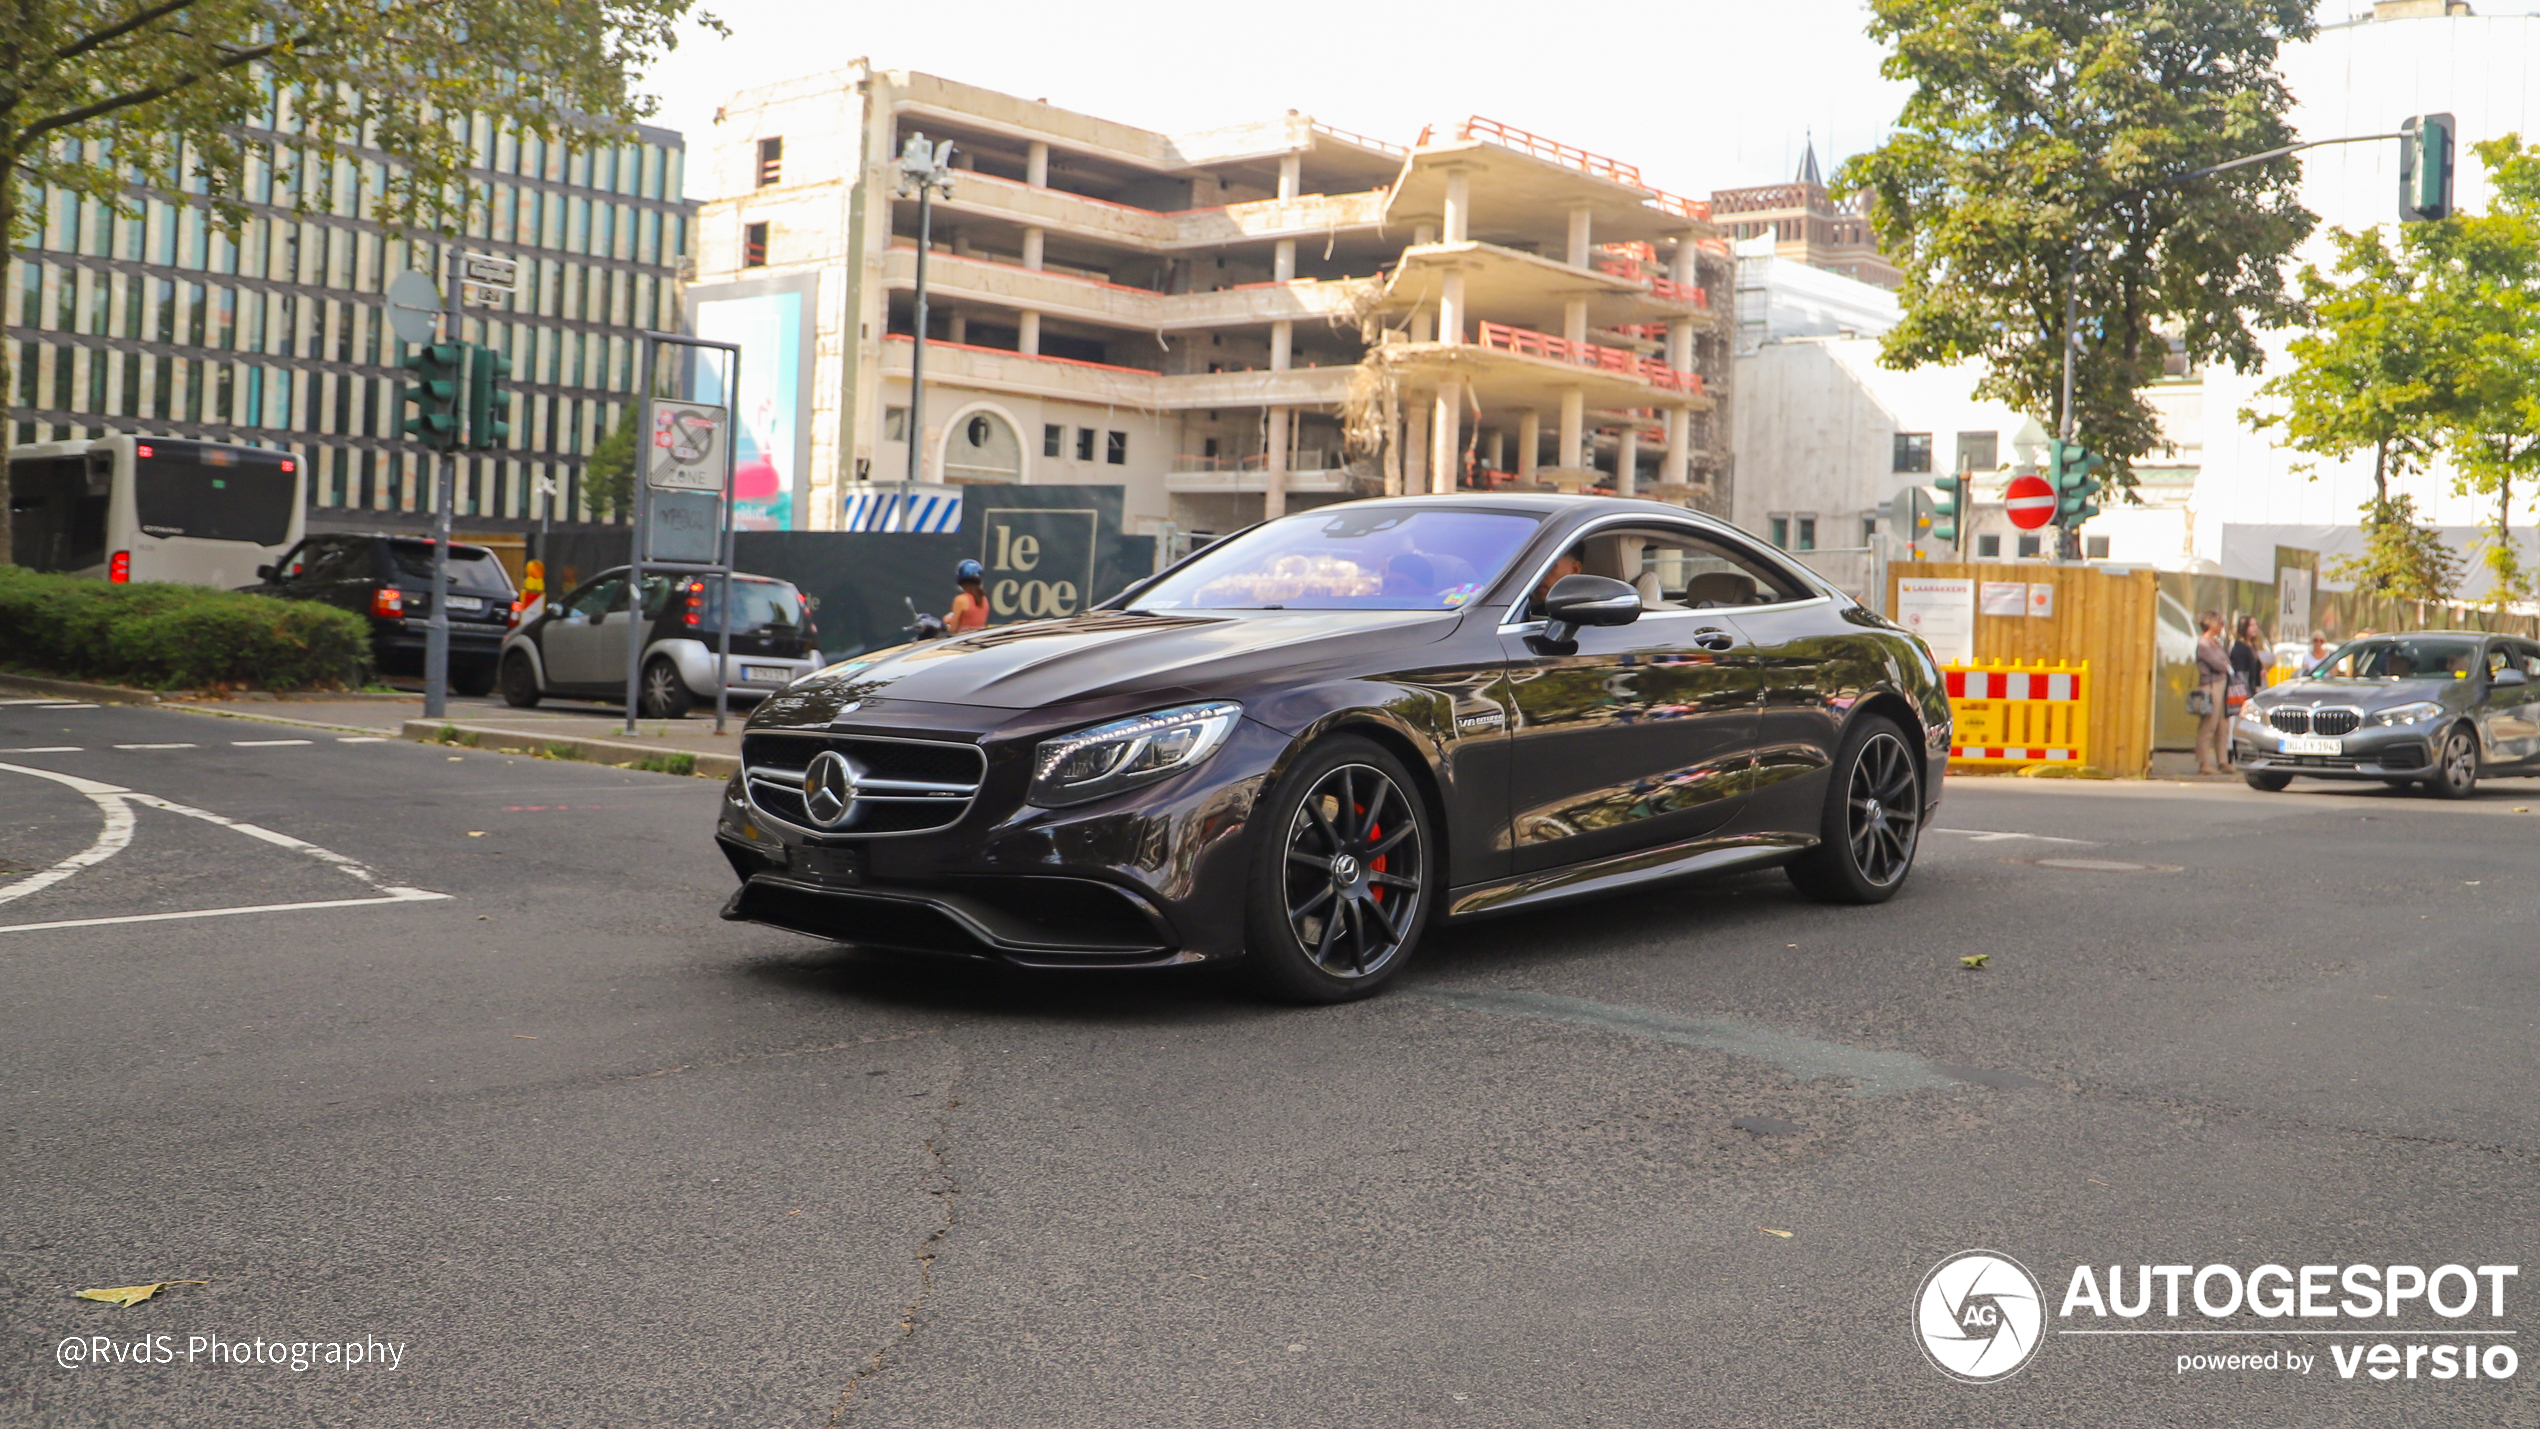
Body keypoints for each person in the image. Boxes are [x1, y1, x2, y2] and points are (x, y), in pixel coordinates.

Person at [2194, 611, 2230, 775]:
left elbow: (2226, 661)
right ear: (2211, 624)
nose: (2222, 626)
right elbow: (2219, 664)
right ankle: (2204, 762)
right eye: (2220, 623)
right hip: (2211, 685)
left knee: (2223, 724)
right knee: (2209, 724)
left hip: (2222, 684)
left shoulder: (2215, 643)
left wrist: (2225, 664)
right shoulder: (2204, 644)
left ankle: (2222, 760)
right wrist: (2224, 664)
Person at [1531, 545, 1585, 616]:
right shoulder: (1525, 614)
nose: (1538, 576)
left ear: (1574, 569)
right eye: (1535, 568)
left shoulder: (1587, 614)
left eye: (1549, 567)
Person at [2229, 615, 2267, 708]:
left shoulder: (2252, 646)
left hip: (2252, 688)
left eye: (2256, 625)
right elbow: (2240, 673)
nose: (2255, 628)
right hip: (2243, 690)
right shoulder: (2240, 647)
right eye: (2251, 625)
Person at [947, 558, 990, 633]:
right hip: (980, 639)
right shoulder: (984, 598)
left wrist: (947, 621)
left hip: (963, 641)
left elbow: (953, 629)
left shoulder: (960, 599)